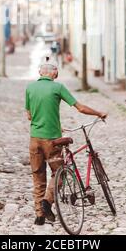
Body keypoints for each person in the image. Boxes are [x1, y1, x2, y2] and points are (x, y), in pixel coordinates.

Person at [25, 56, 107, 226]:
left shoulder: (30, 88)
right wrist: (99, 113)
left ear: (40, 72)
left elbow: (29, 115)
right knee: (59, 173)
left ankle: (39, 215)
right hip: (52, 142)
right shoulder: (58, 87)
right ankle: (47, 202)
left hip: (34, 140)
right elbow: (80, 108)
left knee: (38, 176)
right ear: (54, 73)